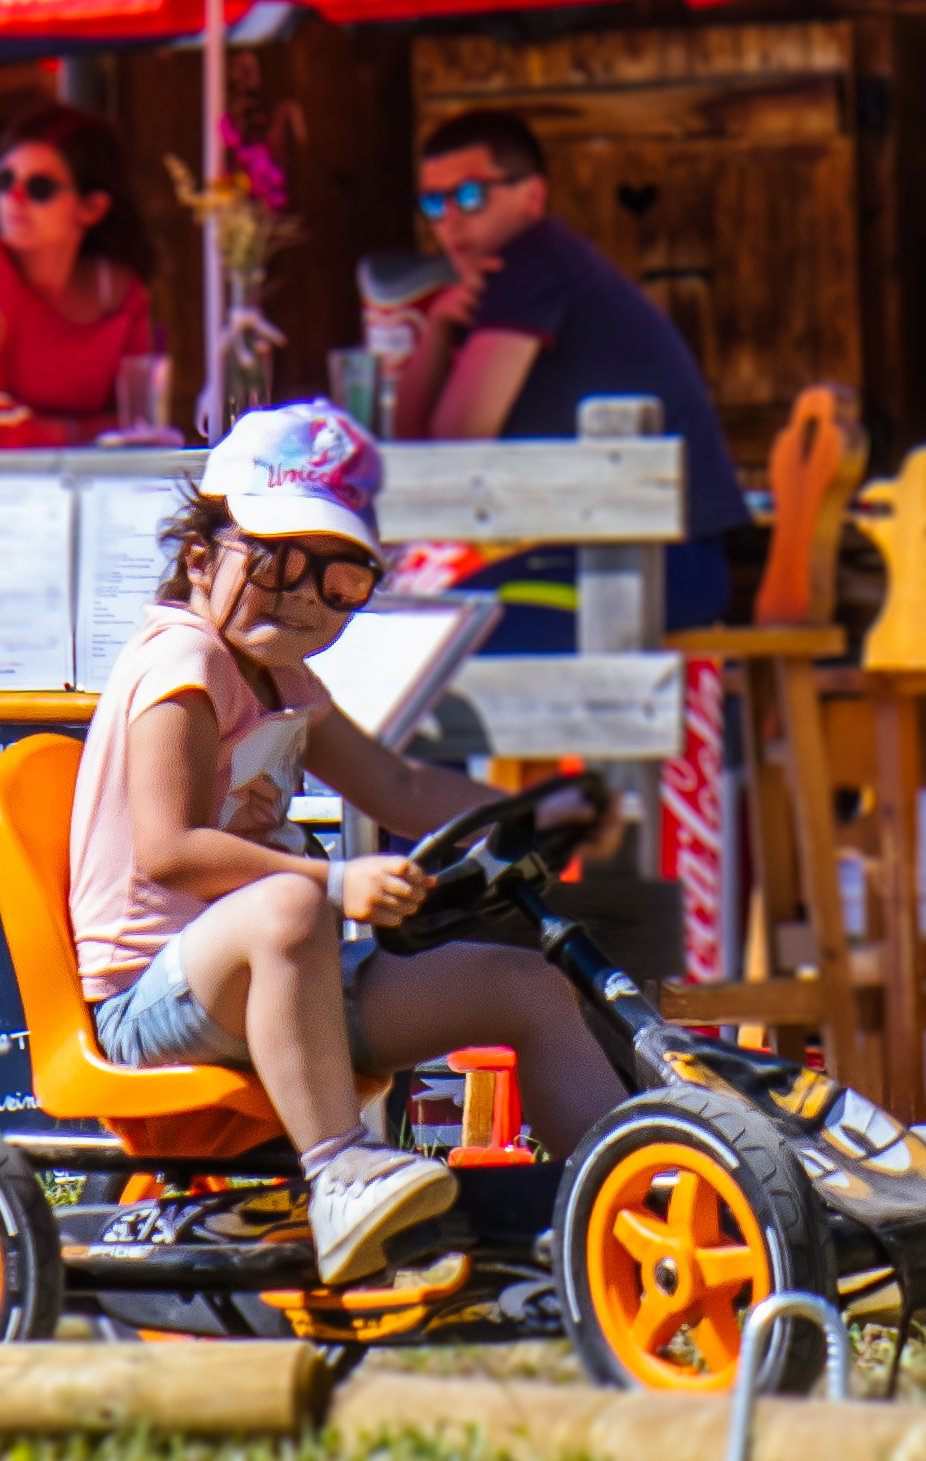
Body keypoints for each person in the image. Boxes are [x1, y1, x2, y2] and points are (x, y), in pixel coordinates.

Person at [68, 403, 629, 1284]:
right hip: (151, 999)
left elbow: (401, 788)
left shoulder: (286, 679)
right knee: (294, 903)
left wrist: (535, 814)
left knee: (526, 983)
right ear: (200, 557)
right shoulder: (182, 661)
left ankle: (635, 1199)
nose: (301, 596)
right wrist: (333, 883)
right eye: (279, 560)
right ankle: (338, 1172)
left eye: (339, 580)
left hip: (283, 982)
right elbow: (169, 847)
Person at [389, 107, 747, 646]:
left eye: (469, 196)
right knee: (420, 622)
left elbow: (451, 447)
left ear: (532, 195)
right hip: (622, 555)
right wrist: (438, 328)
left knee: (431, 637)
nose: (450, 222)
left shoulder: (532, 263)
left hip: (653, 566)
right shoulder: (500, 285)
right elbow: (419, 452)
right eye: (434, 204)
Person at [0, 103, 156, 453]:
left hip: (68, 490)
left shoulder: (119, 292)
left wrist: (48, 432)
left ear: (92, 207)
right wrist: (88, 432)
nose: (14, 199)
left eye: (39, 187)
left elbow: (140, 427)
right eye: (3, 181)